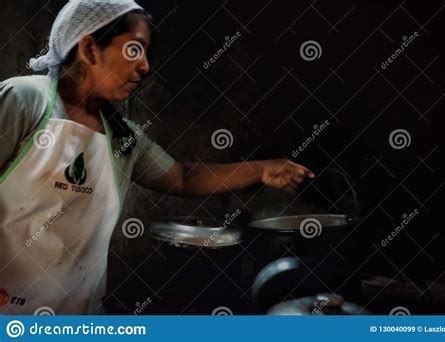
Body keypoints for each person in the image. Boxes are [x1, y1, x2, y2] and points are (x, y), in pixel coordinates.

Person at [0, 0, 314, 315]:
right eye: (134, 50)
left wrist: (260, 170)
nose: (145, 66)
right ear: (89, 49)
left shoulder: (123, 136)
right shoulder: (26, 100)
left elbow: (181, 177)